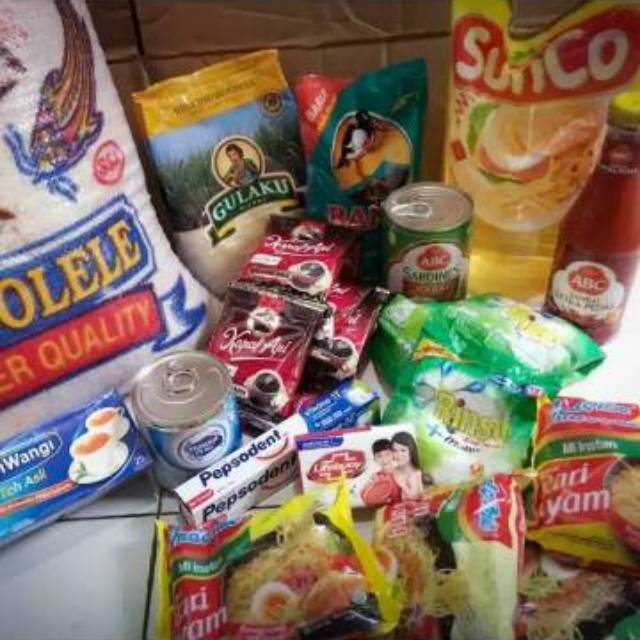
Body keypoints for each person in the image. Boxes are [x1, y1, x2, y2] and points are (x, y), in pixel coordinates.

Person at [360, 439, 402, 505]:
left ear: (393, 455)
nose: (384, 459)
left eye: (387, 454)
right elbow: (364, 496)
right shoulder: (376, 476)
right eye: (379, 456)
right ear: (375, 459)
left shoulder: (400, 473)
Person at [391, 432, 424, 500]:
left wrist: (402, 484)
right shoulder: (395, 469)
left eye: (403, 450)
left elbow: (414, 497)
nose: (398, 455)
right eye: (395, 450)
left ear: (411, 451)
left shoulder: (414, 473)